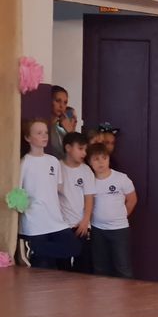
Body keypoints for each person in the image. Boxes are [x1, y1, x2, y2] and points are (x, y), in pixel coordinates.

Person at [18, 119, 81, 268]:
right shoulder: (24, 163)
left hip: (54, 220)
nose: (44, 136)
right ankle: (33, 248)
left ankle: (34, 248)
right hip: (35, 222)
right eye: (39, 133)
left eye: (46, 132)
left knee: (74, 247)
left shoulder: (53, 161)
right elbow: (19, 191)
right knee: (43, 268)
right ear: (28, 138)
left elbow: (57, 188)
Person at [86, 143, 137, 278]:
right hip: (98, 229)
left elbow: (132, 200)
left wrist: (120, 216)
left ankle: (125, 292)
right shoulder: (89, 181)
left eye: (104, 158)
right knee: (100, 267)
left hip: (119, 229)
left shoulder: (121, 178)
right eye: (96, 159)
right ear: (90, 162)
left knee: (122, 267)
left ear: (109, 159)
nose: (101, 162)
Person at [57, 132, 95, 272]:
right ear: (68, 148)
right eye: (80, 149)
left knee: (83, 265)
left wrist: (86, 220)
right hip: (61, 225)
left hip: (81, 225)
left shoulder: (86, 171)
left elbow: (89, 197)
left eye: (85, 149)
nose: (84, 153)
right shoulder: (57, 167)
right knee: (63, 266)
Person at [48, 86, 76, 160]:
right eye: (58, 101)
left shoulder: (62, 129)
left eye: (65, 102)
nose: (62, 106)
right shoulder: (43, 126)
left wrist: (70, 132)